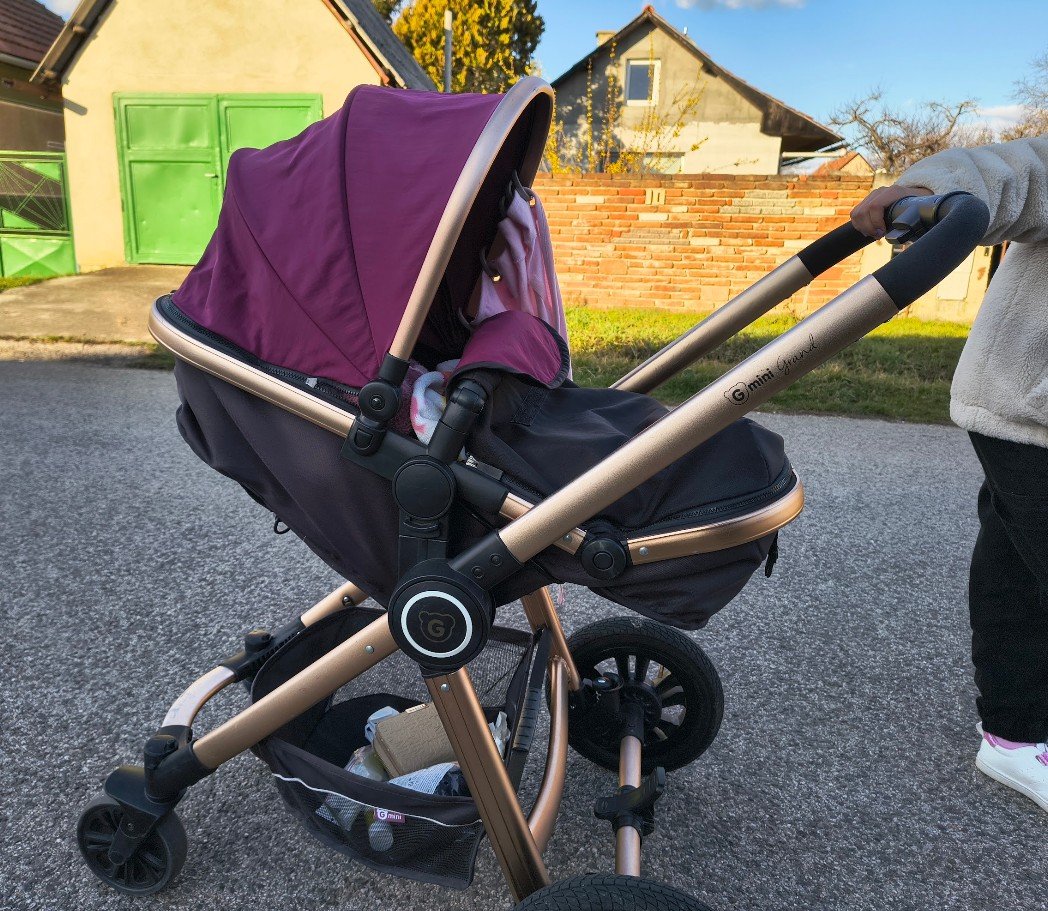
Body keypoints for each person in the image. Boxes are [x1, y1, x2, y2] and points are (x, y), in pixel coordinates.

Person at [850, 135, 1048, 813]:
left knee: (1014, 570)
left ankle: (1014, 735)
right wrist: (929, 191)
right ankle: (1015, 732)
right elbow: (1021, 171)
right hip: (1030, 405)